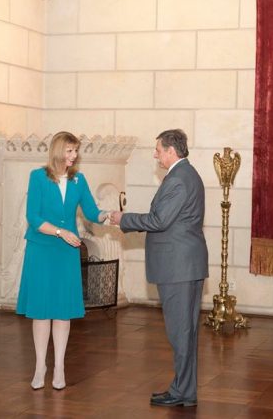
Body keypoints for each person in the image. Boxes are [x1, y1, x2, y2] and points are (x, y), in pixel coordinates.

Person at [110, 129, 208, 407]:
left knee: (180, 332)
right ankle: (184, 390)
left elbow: (159, 220)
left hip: (178, 267)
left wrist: (123, 218)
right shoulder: (188, 174)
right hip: (185, 265)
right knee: (185, 332)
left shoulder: (178, 179)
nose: (155, 155)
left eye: (158, 150)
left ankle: (182, 392)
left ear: (171, 151)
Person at [16, 131, 109, 391]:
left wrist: (109, 215)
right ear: (58, 151)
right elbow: (33, 217)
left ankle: (59, 367)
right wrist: (60, 231)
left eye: (76, 151)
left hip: (66, 252)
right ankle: (40, 367)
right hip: (41, 250)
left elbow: (91, 211)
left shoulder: (79, 180)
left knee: (63, 311)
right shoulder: (38, 177)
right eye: (69, 150)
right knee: (41, 311)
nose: (74, 155)